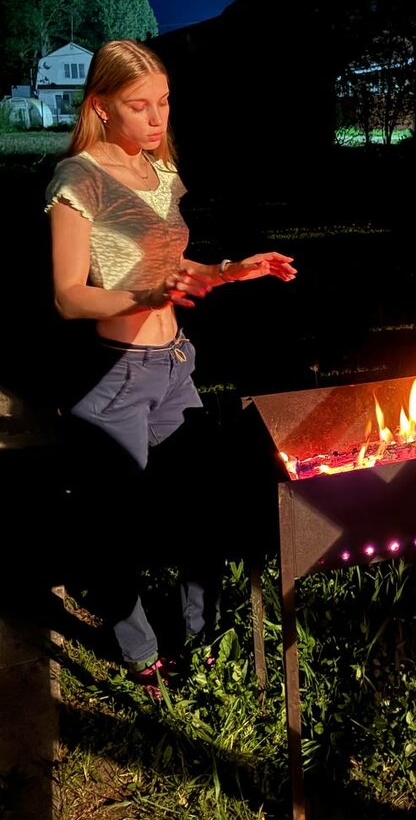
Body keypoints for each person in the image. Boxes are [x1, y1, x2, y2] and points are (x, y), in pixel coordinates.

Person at [45, 38, 296, 696]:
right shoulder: (77, 180)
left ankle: (202, 639)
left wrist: (230, 271)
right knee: (116, 528)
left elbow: (172, 267)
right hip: (116, 378)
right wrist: (144, 296)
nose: (157, 118)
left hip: (175, 366)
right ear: (101, 106)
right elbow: (69, 295)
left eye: (164, 102)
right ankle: (140, 652)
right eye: (140, 106)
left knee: (201, 512)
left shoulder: (160, 170)